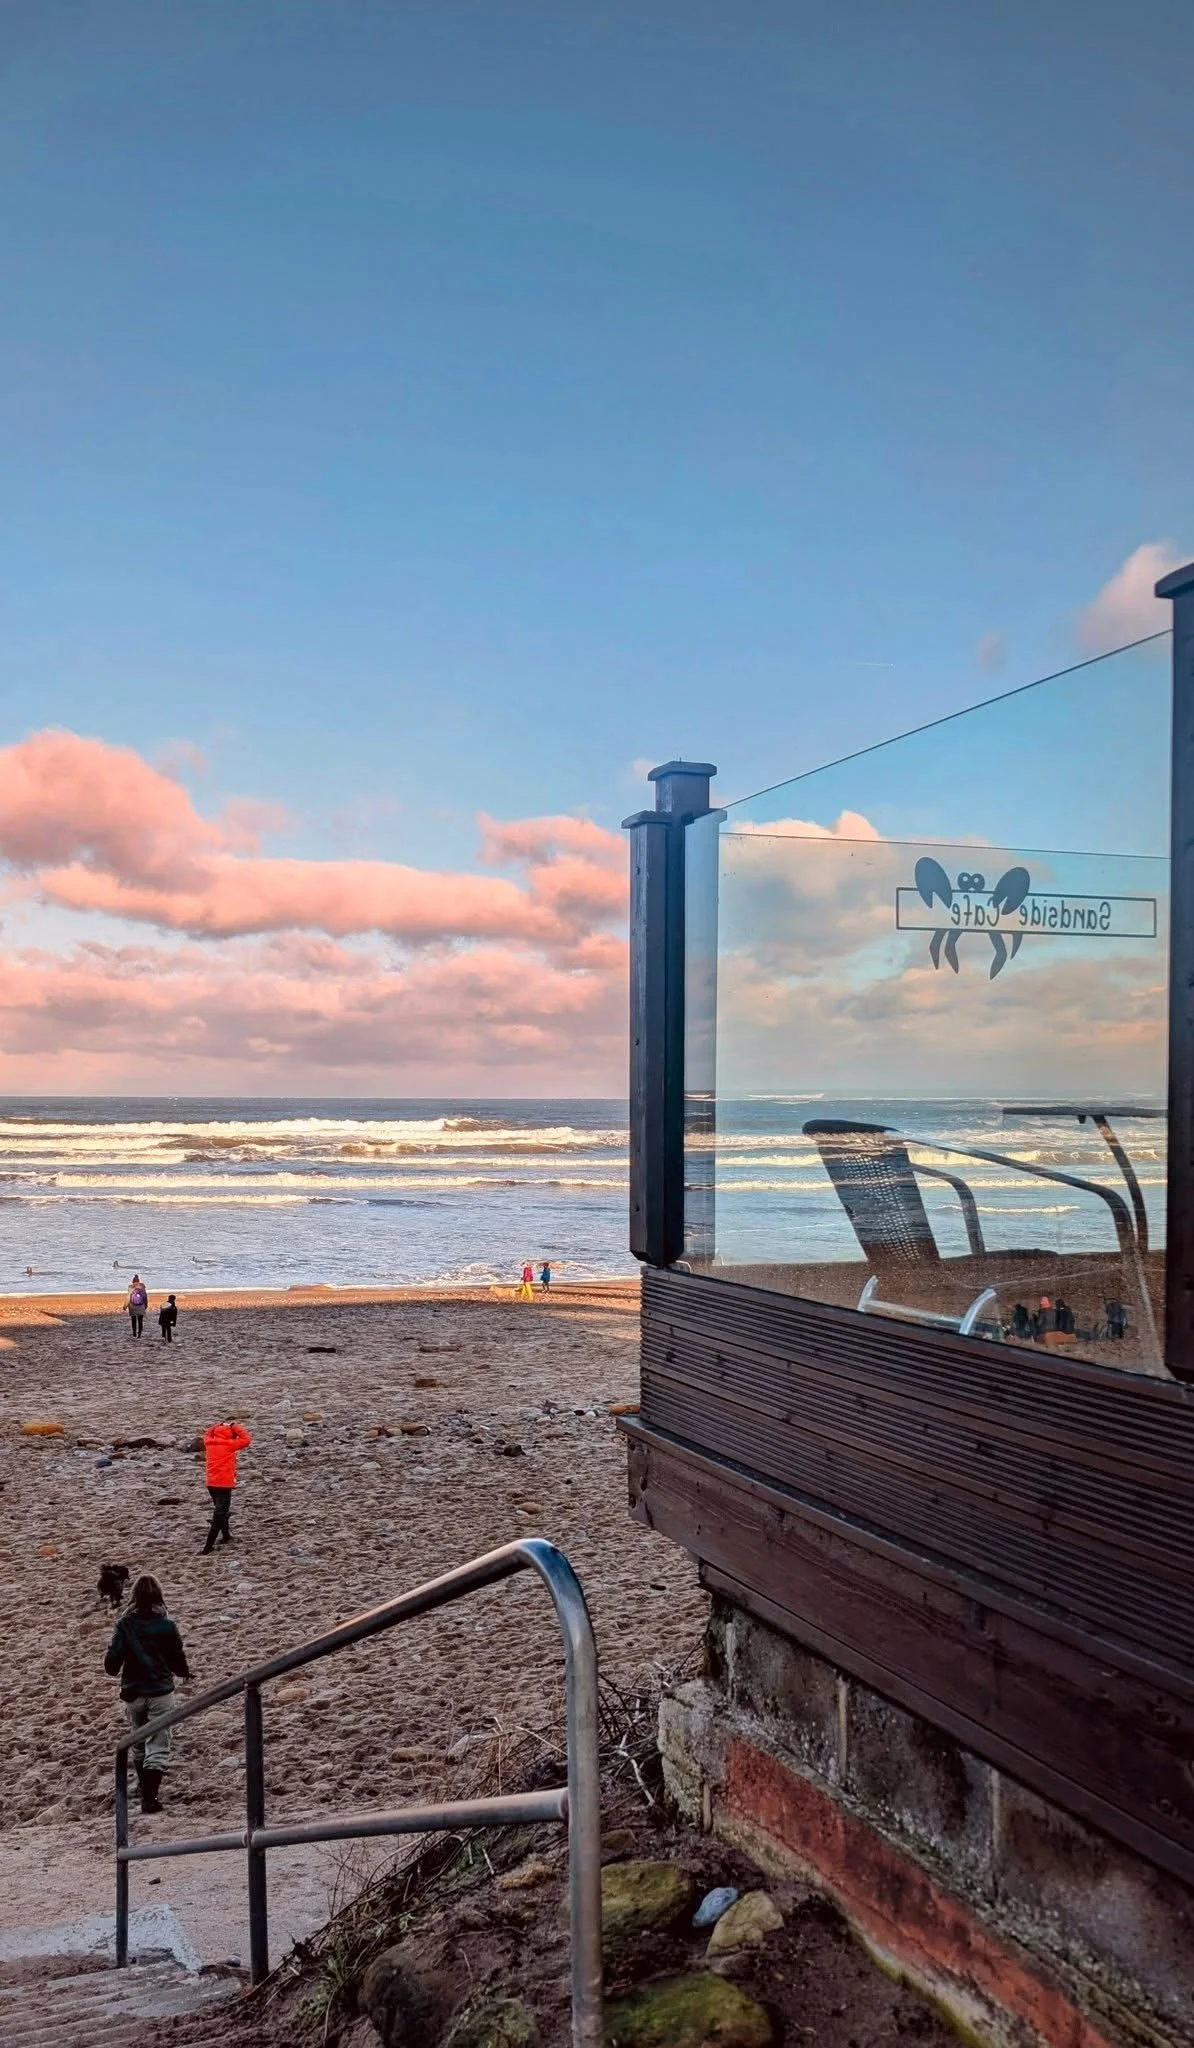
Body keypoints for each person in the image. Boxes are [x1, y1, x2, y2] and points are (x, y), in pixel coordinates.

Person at [103, 1573, 191, 1813]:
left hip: (133, 1692)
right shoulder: (167, 1625)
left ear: (134, 1596)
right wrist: (184, 1672)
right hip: (160, 1690)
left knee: (139, 1742)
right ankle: (150, 1798)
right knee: (159, 1744)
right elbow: (177, 1657)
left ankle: (144, 1789)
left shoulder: (124, 1624)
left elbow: (111, 1665)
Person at [202, 1416, 252, 1553]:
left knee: (221, 1511)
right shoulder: (230, 1444)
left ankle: (226, 1536)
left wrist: (217, 1425)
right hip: (224, 1484)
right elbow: (246, 1440)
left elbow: (207, 1434)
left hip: (211, 1483)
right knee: (219, 1514)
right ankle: (208, 1546)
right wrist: (235, 1426)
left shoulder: (209, 1442)